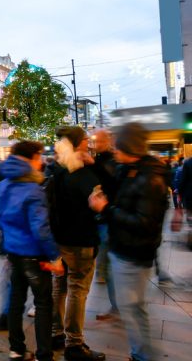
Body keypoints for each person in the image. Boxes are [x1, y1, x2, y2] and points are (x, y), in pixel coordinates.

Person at [89, 122, 169, 361]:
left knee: (131, 308)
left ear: (130, 148)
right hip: (125, 247)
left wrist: (106, 209)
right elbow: (115, 187)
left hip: (134, 252)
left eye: (117, 146)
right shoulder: (131, 169)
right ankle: (141, 353)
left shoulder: (149, 178)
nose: (113, 150)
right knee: (134, 307)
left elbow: (144, 221)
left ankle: (143, 355)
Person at [0, 141, 64, 361]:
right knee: (44, 303)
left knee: (16, 301)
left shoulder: (2, 185)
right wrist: (55, 257)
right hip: (34, 255)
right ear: (31, 158)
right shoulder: (34, 190)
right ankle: (44, 354)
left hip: (13, 252)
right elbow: (41, 230)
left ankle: (16, 350)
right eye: (39, 156)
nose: (42, 161)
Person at [47, 127, 105, 361]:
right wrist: (95, 165)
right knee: (77, 290)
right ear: (79, 144)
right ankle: (74, 344)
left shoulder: (57, 171)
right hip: (81, 240)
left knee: (59, 288)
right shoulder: (84, 175)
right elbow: (103, 197)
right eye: (86, 140)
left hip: (60, 240)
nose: (89, 143)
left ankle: (55, 333)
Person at [90, 128, 119, 321]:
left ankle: (119, 306)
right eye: (93, 141)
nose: (95, 145)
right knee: (108, 264)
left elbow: (110, 182)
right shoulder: (101, 160)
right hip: (102, 218)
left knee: (111, 266)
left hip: (109, 218)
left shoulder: (110, 162)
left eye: (98, 141)